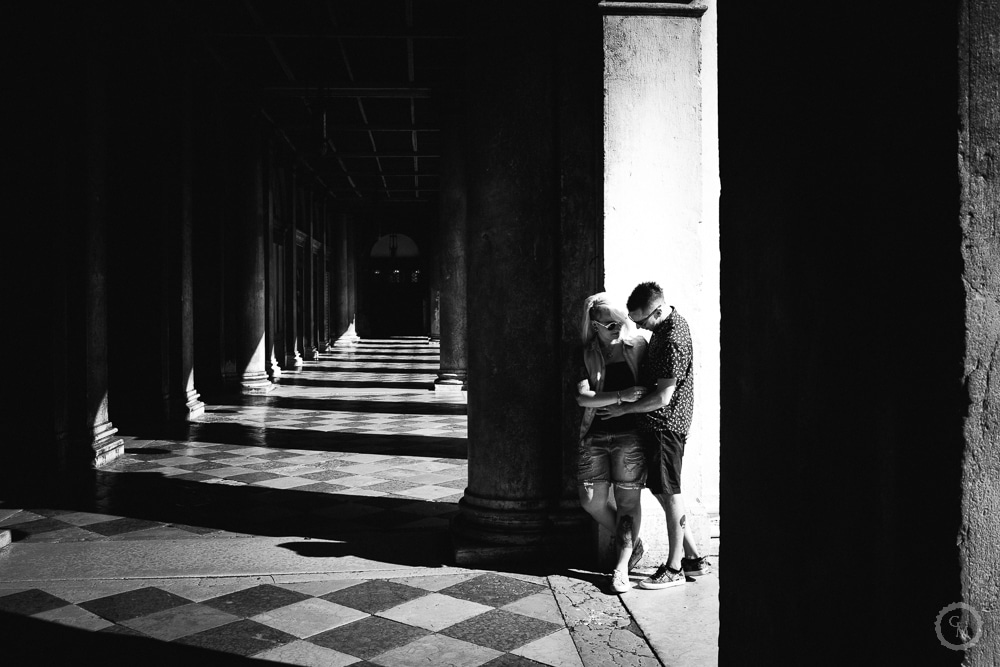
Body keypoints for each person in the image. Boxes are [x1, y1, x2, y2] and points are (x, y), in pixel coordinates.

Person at [597, 281, 712, 589]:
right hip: (658, 427)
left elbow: (663, 397)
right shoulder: (664, 328)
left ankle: (674, 569)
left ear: (658, 310)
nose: (638, 327)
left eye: (642, 321)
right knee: (664, 491)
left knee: (670, 493)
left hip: (665, 426)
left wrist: (623, 410)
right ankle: (694, 559)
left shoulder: (672, 337)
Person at [575, 293, 650, 594]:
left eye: (620, 322)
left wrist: (627, 402)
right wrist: (621, 396)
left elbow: (648, 391)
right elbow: (583, 397)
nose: (617, 328)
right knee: (590, 500)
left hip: (630, 436)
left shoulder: (638, 348)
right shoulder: (586, 353)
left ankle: (621, 567)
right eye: (609, 324)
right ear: (594, 326)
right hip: (594, 435)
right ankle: (632, 542)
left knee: (629, 502)